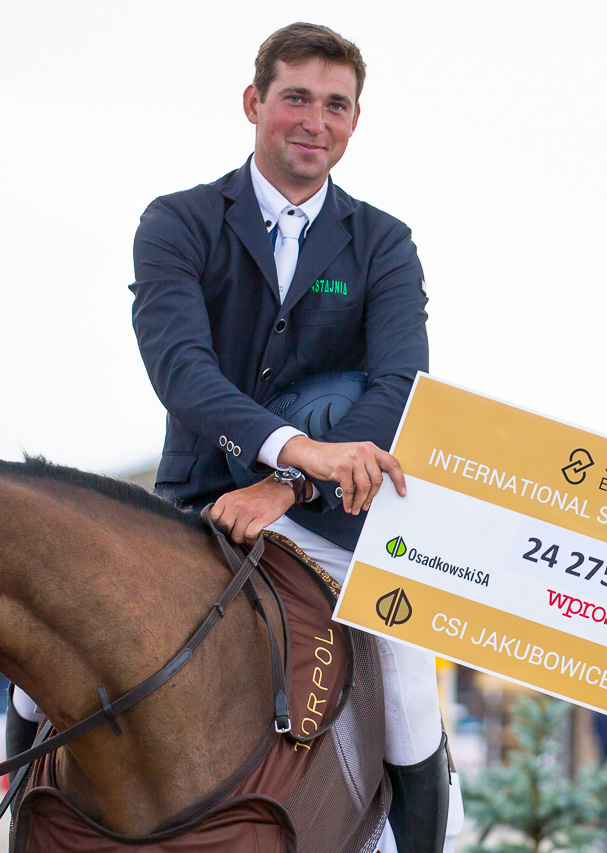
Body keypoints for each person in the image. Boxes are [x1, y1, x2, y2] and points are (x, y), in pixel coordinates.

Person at [105, 22, 448, 852]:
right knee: (42, 678)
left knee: (408, 687)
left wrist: (289, 484)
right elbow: (182, 369)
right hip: (198, 499)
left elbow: (400, 385)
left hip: (336, 517)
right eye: (296, 97)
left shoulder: (384, 242)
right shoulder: (178, 221)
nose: (314, 121)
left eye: (336, 105)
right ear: (254, 101)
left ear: (354, 120)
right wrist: (294, 450)